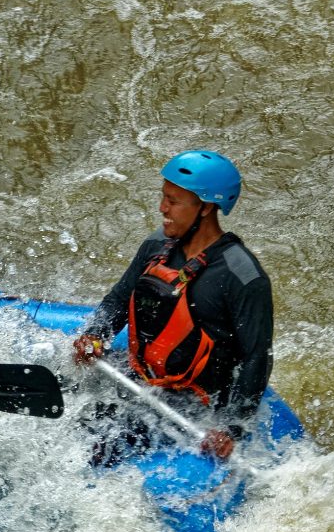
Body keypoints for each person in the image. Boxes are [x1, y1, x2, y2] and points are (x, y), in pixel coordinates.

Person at [70, 151, 272, 464]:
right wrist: (95, 334)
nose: (163, 208)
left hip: (193, 401)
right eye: (163, 197)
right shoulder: (156, 246)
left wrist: (231, 428)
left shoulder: (243, 277)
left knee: (99, 442)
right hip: (138, 374)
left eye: (174, 201)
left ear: (205, 208)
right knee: (63, 394)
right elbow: (119, 300)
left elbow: (256, 358)